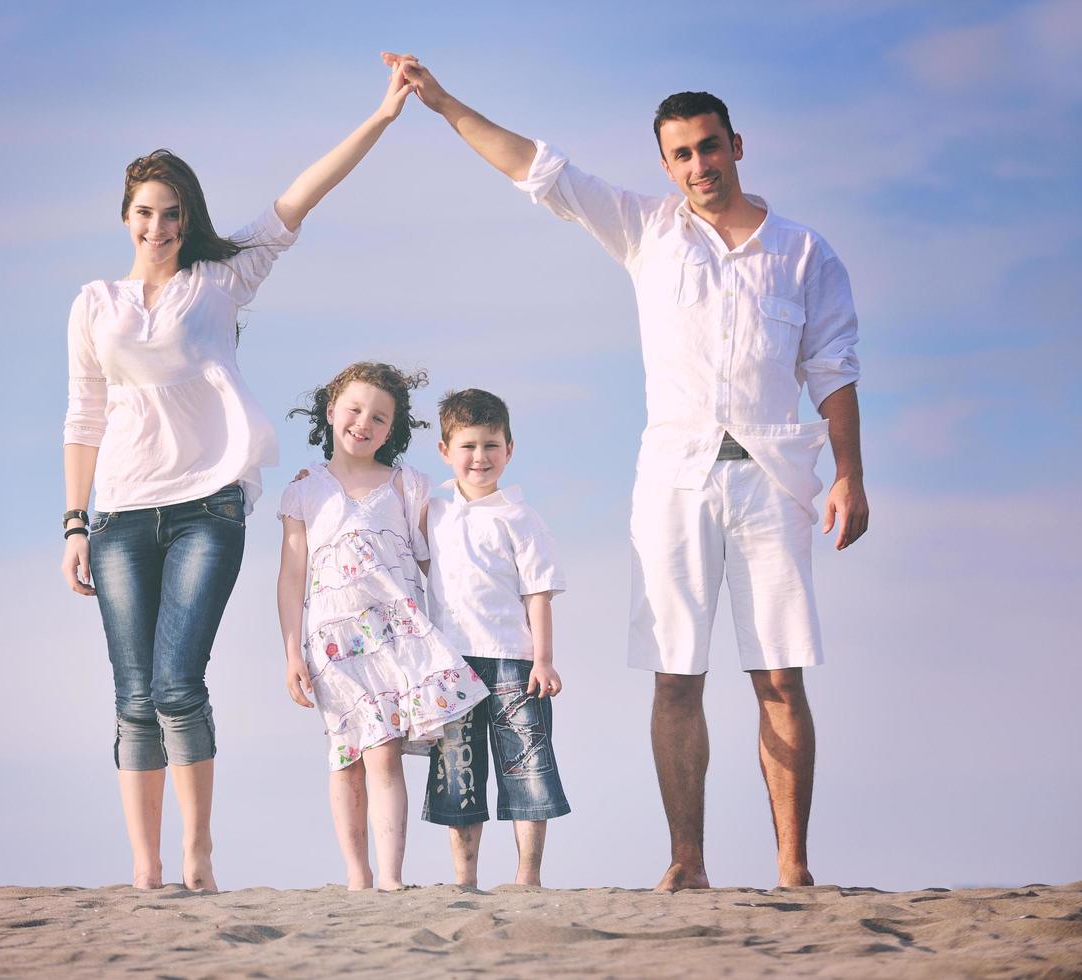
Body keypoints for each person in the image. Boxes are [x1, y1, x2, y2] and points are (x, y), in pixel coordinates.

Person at [387, 53, 869, 891]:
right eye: (681, 154)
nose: (699, 165)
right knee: (676, 674)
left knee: (780, 676)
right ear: (665, 164)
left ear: (736, 145)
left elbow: (834, 368)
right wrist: (440, 102)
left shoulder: (802, 253)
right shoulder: (645, 228)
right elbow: (537, 168)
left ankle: (793, 865)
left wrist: (849, 475)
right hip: (674, 480)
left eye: (709, 147)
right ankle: (687, 861)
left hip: (773, 480)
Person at [60, 62, 414, 892]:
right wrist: (73, 523)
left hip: (208, 509)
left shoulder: (221, 278)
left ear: (190, 219)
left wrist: (383, 116)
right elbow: (82, 418)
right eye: (145, 213)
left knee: (179, 682)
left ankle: (197, 854)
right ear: (126, 218)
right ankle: (146, 868)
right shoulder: (94, 306)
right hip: (118, 515)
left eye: (173, 214)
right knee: (134, 692)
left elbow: (301, 196)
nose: (159, 227)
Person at [276, 362, 490, 891]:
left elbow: (436, 561)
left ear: (392, 428)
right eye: (354, 410)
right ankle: (357, 873)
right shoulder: (304, 490)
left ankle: (391, 877)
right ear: (330, 411)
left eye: (379, 417)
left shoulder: (407, 485)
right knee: (346, 755)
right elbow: (290, 576)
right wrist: (292, 653)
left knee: (384, 751)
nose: (363, 423)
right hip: (332, 644)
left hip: (396, 638)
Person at [421, 388, 570, 888]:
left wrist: (543, 661)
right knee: (458, 775)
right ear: (445, 450)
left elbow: (538, 595)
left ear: (509, 449)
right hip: (451, 664)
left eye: (491, 445)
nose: (479, 457)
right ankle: (464, 880)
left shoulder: (521, 519)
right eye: (467, 445)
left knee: (525, 766)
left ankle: (528, 875)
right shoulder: (434, 514)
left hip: (514, 661)